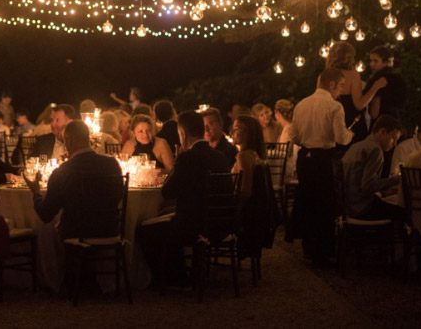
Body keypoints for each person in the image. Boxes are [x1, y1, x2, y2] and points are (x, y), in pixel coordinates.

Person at [137, 110, 230, 287]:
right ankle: (180, 274)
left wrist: (178, 162)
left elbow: (167, 192)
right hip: (220, 223)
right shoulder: (220, 156)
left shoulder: (187, 158)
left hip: (193, 226)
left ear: (183, 134)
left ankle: (173, 279)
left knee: (144, 230)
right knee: (169, 220)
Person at [288, 67, 354, 267]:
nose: (341, 91)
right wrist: (351, 134)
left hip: (305, 158)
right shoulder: (334, 107)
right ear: (332, 84)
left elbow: (294, 137)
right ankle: (323, 253)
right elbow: (341, 138)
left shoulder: (301, 104)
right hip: (323, 159)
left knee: (308, 200)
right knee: (325, 204)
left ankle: (309, 248)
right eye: (341, 86)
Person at [25, 120, 123, 239]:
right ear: (88, 138)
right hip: (111, 230)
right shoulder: (112, 164)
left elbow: (46, 215)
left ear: (68, 140)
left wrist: (36, 193)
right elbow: (119, 196)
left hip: (77, 234)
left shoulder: (63, 171)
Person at [341, 115, 404, 221]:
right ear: (382, 132)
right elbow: (367, 186)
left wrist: (384, 192)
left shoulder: (356, 146)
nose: (395, 144)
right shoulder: (375, 150)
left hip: (347, 207)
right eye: (394, 138)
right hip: (362, 208)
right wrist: (395, 180)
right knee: (402, 212)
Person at [231, 115, 277, 258]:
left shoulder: (243, 156)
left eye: (236, 129)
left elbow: (245, 191)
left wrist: (233, 208)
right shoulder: (254, 154)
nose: (232, 132)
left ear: (247, 133)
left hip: (247, 216)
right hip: (257, 214)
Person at [327, 42, 387, 141]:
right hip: (352, 123)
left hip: (331, 123)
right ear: (348, 57)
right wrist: (376, 86)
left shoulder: (324, 76)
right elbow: (359, 104)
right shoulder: (352, 75)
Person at [365, 46, 406, 121]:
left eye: (375, 61)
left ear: (385, 62)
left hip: (380, 121)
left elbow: (374, 113)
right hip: (395, 119)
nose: (372, 64)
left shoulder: (378, 79)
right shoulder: (399, 79)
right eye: (371, 61)